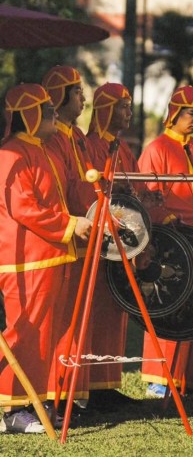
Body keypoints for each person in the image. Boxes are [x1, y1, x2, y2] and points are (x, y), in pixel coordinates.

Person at [0, 83, 92, 434]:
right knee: (25, 334)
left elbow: (67, 192)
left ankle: (36, 404)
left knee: (46, 337)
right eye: (47, 109)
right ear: (29, 115)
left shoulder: (46, 150)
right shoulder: (10, 154)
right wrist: (70, 225)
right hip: (24, 261)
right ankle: (12, 411)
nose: (54, 113)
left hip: (53, 255)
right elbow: (24, 208)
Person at [139, 85, 193, 397]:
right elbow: (147, 198)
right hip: (170, 241)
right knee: (168, 306)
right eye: (190, 113)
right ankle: (158, 380)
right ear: (174, 113)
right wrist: (167, 219)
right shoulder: (156, 149)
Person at [85, 82, 143, 411]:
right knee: (96, 312)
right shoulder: (91, 145)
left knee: (114, 312)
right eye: (123, 106)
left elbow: (133, 187)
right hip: (99, 241)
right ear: (106, 109)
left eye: (129, 106)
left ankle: (107, 384)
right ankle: (91, 387)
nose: (128, 113)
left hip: (122, 239)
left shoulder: (123, 148)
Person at [42, 66, 96, 414]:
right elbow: (69, 190)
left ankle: (69, 391)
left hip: (80, 234)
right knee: (59, 322)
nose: (83, 98)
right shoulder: (53, 140)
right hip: (64, 237)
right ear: (59, 96)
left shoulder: (75, 136)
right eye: (76, 91)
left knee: (75, 321)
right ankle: (54, 392)